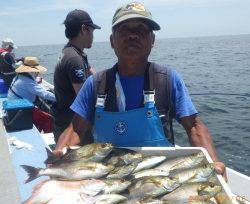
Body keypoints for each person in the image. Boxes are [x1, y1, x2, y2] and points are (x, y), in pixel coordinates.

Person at [54, 2, 226, 179]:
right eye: (124, 30)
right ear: (112, 41)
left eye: (141, 30)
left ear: (152, 40)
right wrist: (59, 156)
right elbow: (76, 128)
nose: (132, 36)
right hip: (108, 180)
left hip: (161, 180)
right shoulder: (94, 84)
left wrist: (213, 161)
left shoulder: (168, 79)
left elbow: (194, 126)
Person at [52, 9, 101, 142]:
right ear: (84, 29)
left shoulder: (70, 52)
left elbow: (90, 71)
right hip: (72, 128)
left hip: (64, 121)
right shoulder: (74, 59)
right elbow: (84, 98)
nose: (93, 36)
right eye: (92, 31)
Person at [8, 56, 56, 133]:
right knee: (48, 119)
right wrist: (60, 98)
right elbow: (44, 94)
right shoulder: (28, 82)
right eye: (36, 71)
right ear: (31, 71)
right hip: (22, 110)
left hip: (14, 107)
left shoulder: (18, 77)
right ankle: (49, 137)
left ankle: (38, 130)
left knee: (40, 115)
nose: (37, 73)